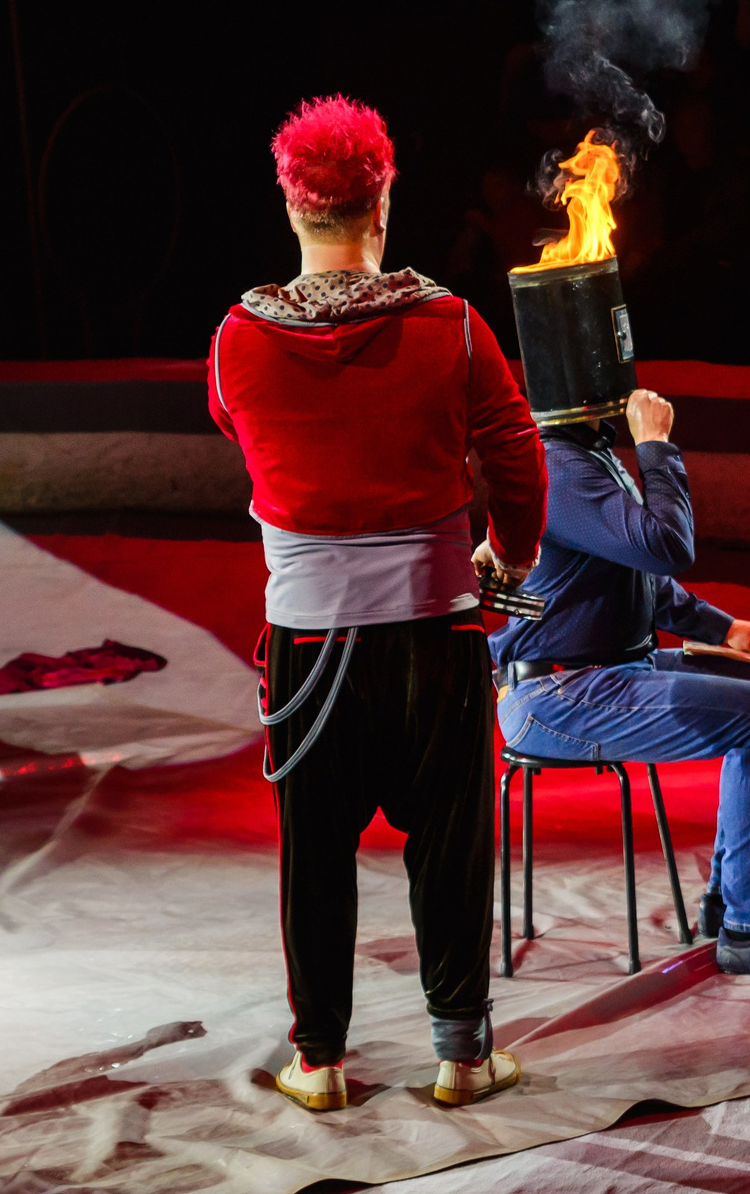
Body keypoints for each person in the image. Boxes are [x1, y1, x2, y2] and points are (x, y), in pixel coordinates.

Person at [206, 94, 544, 1115]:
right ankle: (464, 1053)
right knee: (449, 843)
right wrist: (505, 553)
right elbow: (519, 456)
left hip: (308, 646)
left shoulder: (234, 340)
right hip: (434, 635)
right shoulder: (449, 325)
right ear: (382, 199)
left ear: (290, 202)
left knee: (316, 858)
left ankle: (318, 1059)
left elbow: (243, 436)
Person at [497, 385, 750, 979]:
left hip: (607, 671)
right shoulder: (558, 465)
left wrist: (725, 627)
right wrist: (657, 448)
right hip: (558, 696)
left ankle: (732, 898)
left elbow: (642, 577)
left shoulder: (588, 456)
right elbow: (666, 546)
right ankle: (749, 931)